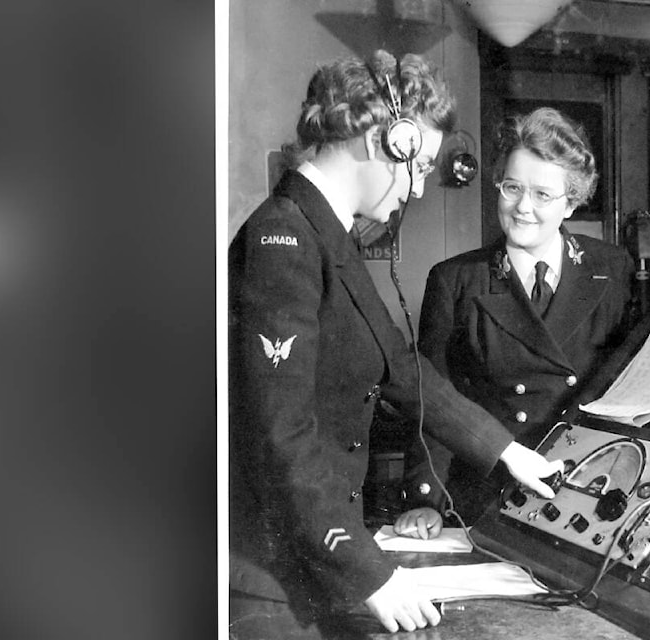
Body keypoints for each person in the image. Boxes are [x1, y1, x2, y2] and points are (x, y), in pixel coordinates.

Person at [228, 51, 563, 636]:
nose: (417, 188)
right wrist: (371, 574)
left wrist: (507, 452)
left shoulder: (327, 235)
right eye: (421, 164)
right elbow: (279, 435)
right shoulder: (283, 237)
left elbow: (403, 370)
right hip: (272, 580)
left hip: (310, 565)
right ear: (387, 140)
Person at [394, 107, 650, 539]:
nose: (523, 207)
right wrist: (428, 499)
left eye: (543, 194)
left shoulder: (611, 268)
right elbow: (433, 398)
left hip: (588, 491)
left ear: (572, 202)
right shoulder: (455, 279)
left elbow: (640, 374)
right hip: (490, 497)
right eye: (512, 188)